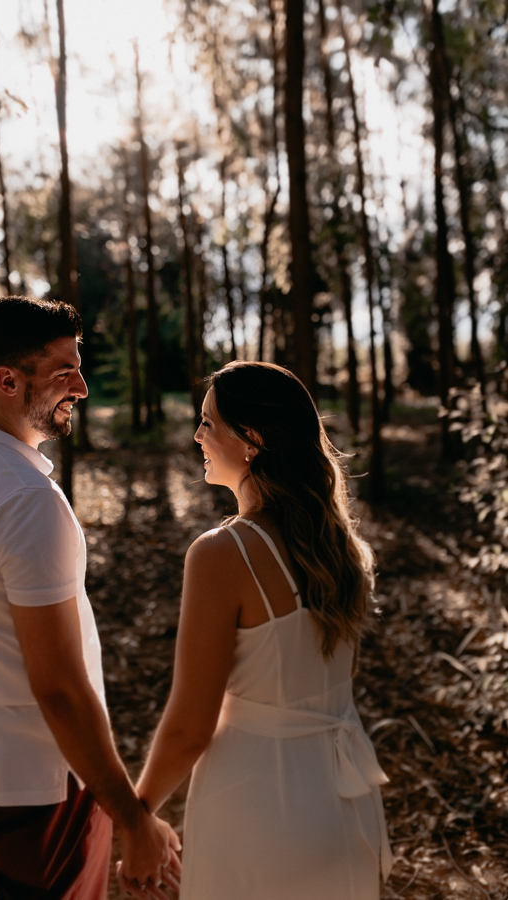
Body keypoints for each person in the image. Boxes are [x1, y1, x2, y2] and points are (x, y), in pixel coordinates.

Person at [0, 296, 180, 900]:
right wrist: (133, 818)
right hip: (41, 782)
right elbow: (58, 686)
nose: (82, 386)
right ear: (8, 380)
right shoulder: (27, 500)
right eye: (64, 371)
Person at [120, 360, 393, 900]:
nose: (197, 436)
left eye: (208, 423)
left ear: (252, 439)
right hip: (343, 804)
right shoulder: (344, 551)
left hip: (259, 808)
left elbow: (189, 727)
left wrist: (136, 813)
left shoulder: (224, 554)